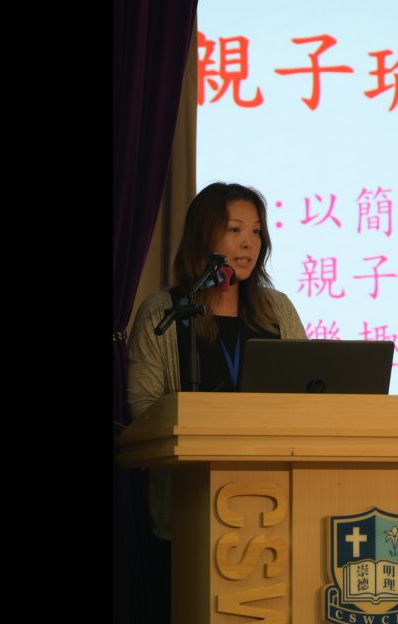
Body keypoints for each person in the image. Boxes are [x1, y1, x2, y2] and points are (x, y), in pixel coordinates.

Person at [126, 182, 307, 622]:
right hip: (189, 507)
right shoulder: (165, 311)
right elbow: (142, 407)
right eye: (234, 229)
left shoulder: (277, 310)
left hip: (274, 504)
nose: (249, 243)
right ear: (203, 235)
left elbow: (309, 396)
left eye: (257, 232)